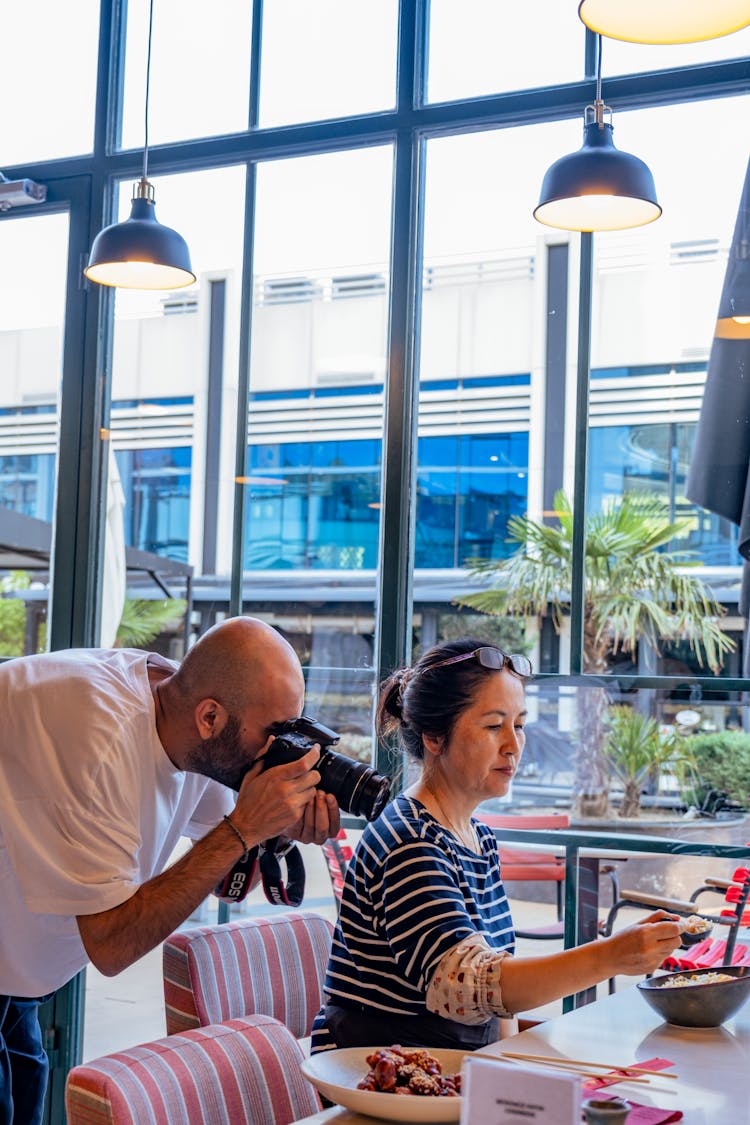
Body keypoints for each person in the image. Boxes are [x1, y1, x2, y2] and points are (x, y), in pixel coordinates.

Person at [0, 615, 340, 1125]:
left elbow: (223, 867)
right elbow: (112, 944)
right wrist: (244, 828)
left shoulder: (190, 728)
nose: (281, 750)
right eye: (274, 733)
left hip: (18, 971)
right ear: (209, 717)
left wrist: (275, 829)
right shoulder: (103, 744)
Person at [311, 637, 682, 1053]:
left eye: (519, 724)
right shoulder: (409, 839)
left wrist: (505, 1073)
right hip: (379, 1082)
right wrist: (611, 956)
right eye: (493, 726)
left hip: (444, 1073)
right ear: (434, 736)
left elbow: (496, 1002)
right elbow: (467, 986)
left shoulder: (478, 839)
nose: (513, 744)